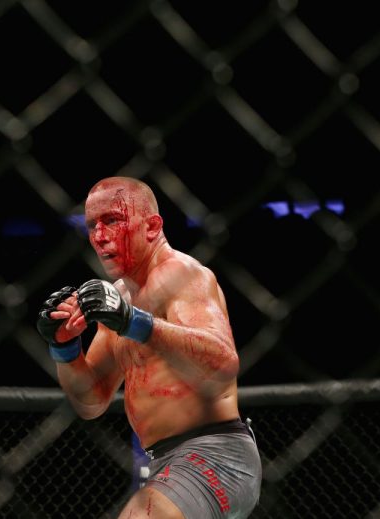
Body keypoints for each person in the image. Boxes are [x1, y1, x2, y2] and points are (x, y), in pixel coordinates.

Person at [36, 177, 261, 518]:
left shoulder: (181, 274)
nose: (99, 236)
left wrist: (133, 322)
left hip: (213, 452)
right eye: (92, 226)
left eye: (112, 220)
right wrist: (64, 347)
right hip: (164, 461)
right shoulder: (121, 297)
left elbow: (222, 364)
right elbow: (91, 401)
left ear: (153, 226)